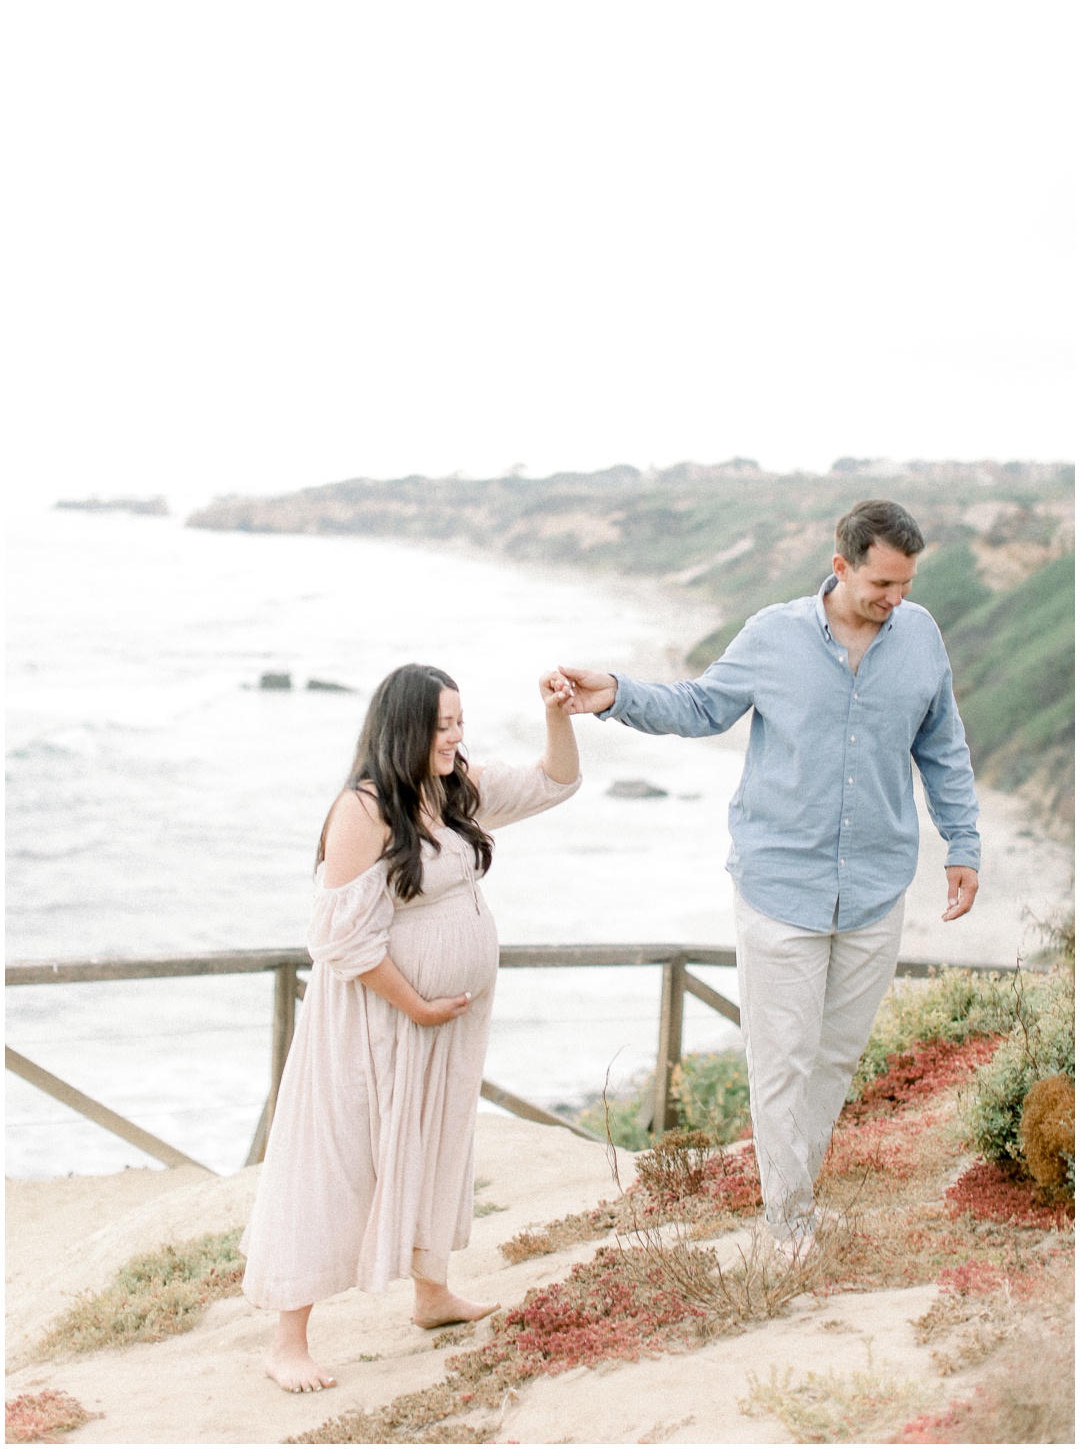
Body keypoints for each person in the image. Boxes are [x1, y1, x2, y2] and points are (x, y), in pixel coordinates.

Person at [554, 499, 980, 1258]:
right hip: (780, 883)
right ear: (841, 564)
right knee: (780, 1060)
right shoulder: (772, 636)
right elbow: (699, 706)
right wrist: (616, 693)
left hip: (877, 885)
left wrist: (964, 842)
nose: (896, 600)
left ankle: (795, 1203)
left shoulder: (921, 637)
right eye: (882, 583)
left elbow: (942, 742)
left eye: (906, 584)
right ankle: (786, 1223)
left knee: (835, 1057)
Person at [241, 662, 581, 1392]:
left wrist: (559, 715)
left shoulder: (453, 789)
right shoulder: (362, 811)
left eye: (459, 722)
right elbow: (342, 941)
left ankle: (432, 1294)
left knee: (435, 1142)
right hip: (373, 1022)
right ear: (403, 728)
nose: (455, 736)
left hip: (439, 1022)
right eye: (441, 725)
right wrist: (417, 1004)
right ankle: (288, 1340)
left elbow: (557, 780)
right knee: (339, 1158)